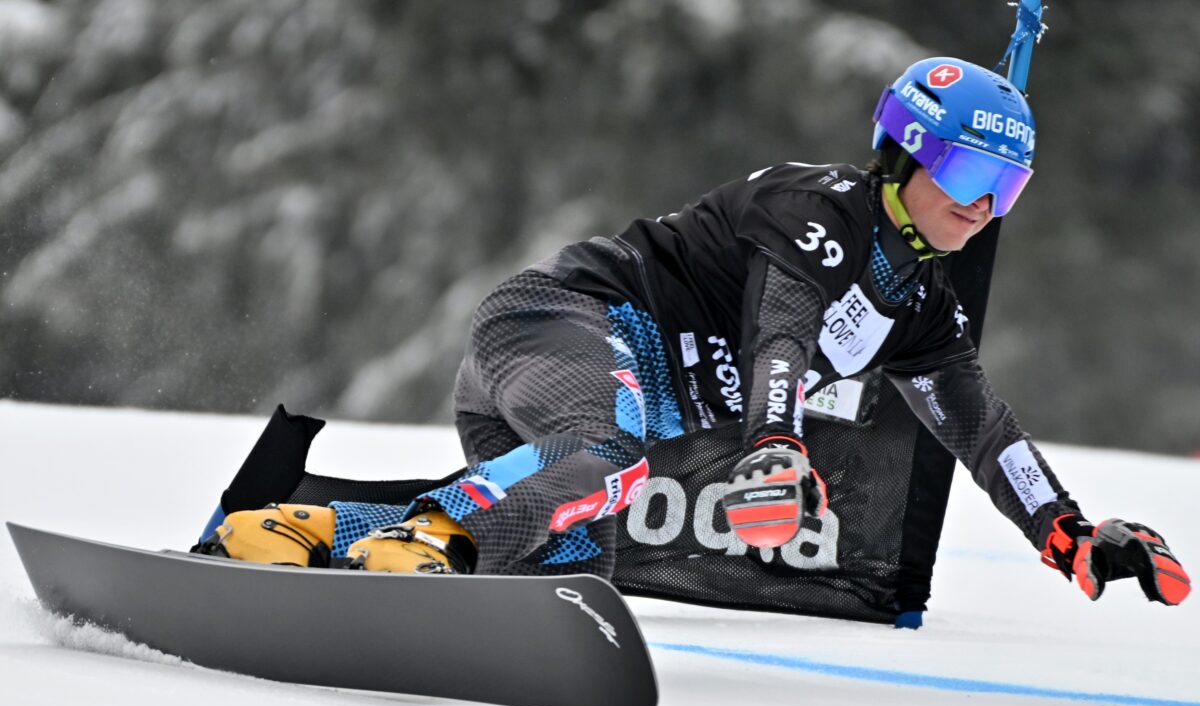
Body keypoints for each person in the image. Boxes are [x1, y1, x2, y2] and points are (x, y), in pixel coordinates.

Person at [207, 56, 1190, 610]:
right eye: (972, 176)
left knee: (567, 573)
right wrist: (774, 442)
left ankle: (306, 530)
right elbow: (784, 332)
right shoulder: (819, 207)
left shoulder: (921, 308)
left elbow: (984, 429)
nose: (985, 209)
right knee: (612, 457)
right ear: (908, 153)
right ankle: (427, 531)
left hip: (568, 434)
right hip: (558, 326)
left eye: (1007, 188)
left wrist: (1068, 531)